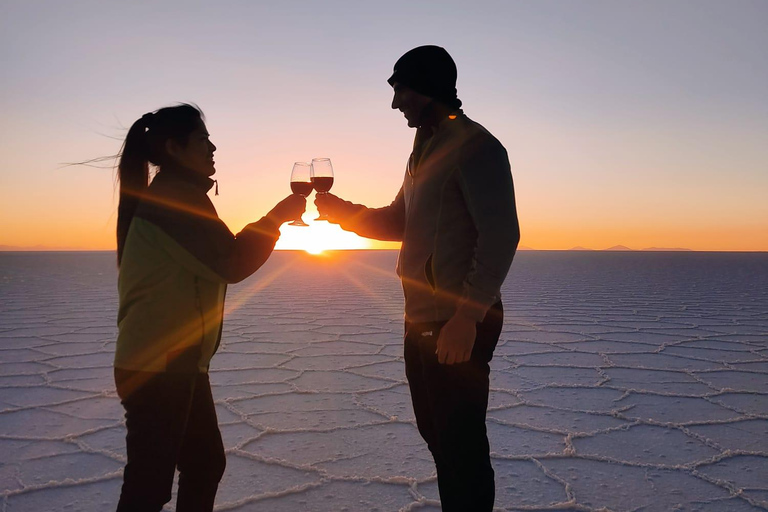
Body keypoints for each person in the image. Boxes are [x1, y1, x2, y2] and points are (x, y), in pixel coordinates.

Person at [315, 46, 520, 511]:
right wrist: (341, 212)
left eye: (400, 90)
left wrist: (467, 318)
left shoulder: (476, 146)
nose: (394, 103)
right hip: (421, 321)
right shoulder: (423, 150)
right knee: (440, 441)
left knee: (461, 447)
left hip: (457, 320)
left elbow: (501, 235)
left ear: (427, 87)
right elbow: (397, 222)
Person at [113, 103, 304, 511]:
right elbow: (230, 261)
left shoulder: (176, 195)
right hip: (157, 366)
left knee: (203, 464)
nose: (213, 146)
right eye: (203, 139)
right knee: (150, 485)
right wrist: (276, 218)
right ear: (175, 147)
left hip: (175, 362)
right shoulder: (174, 200)